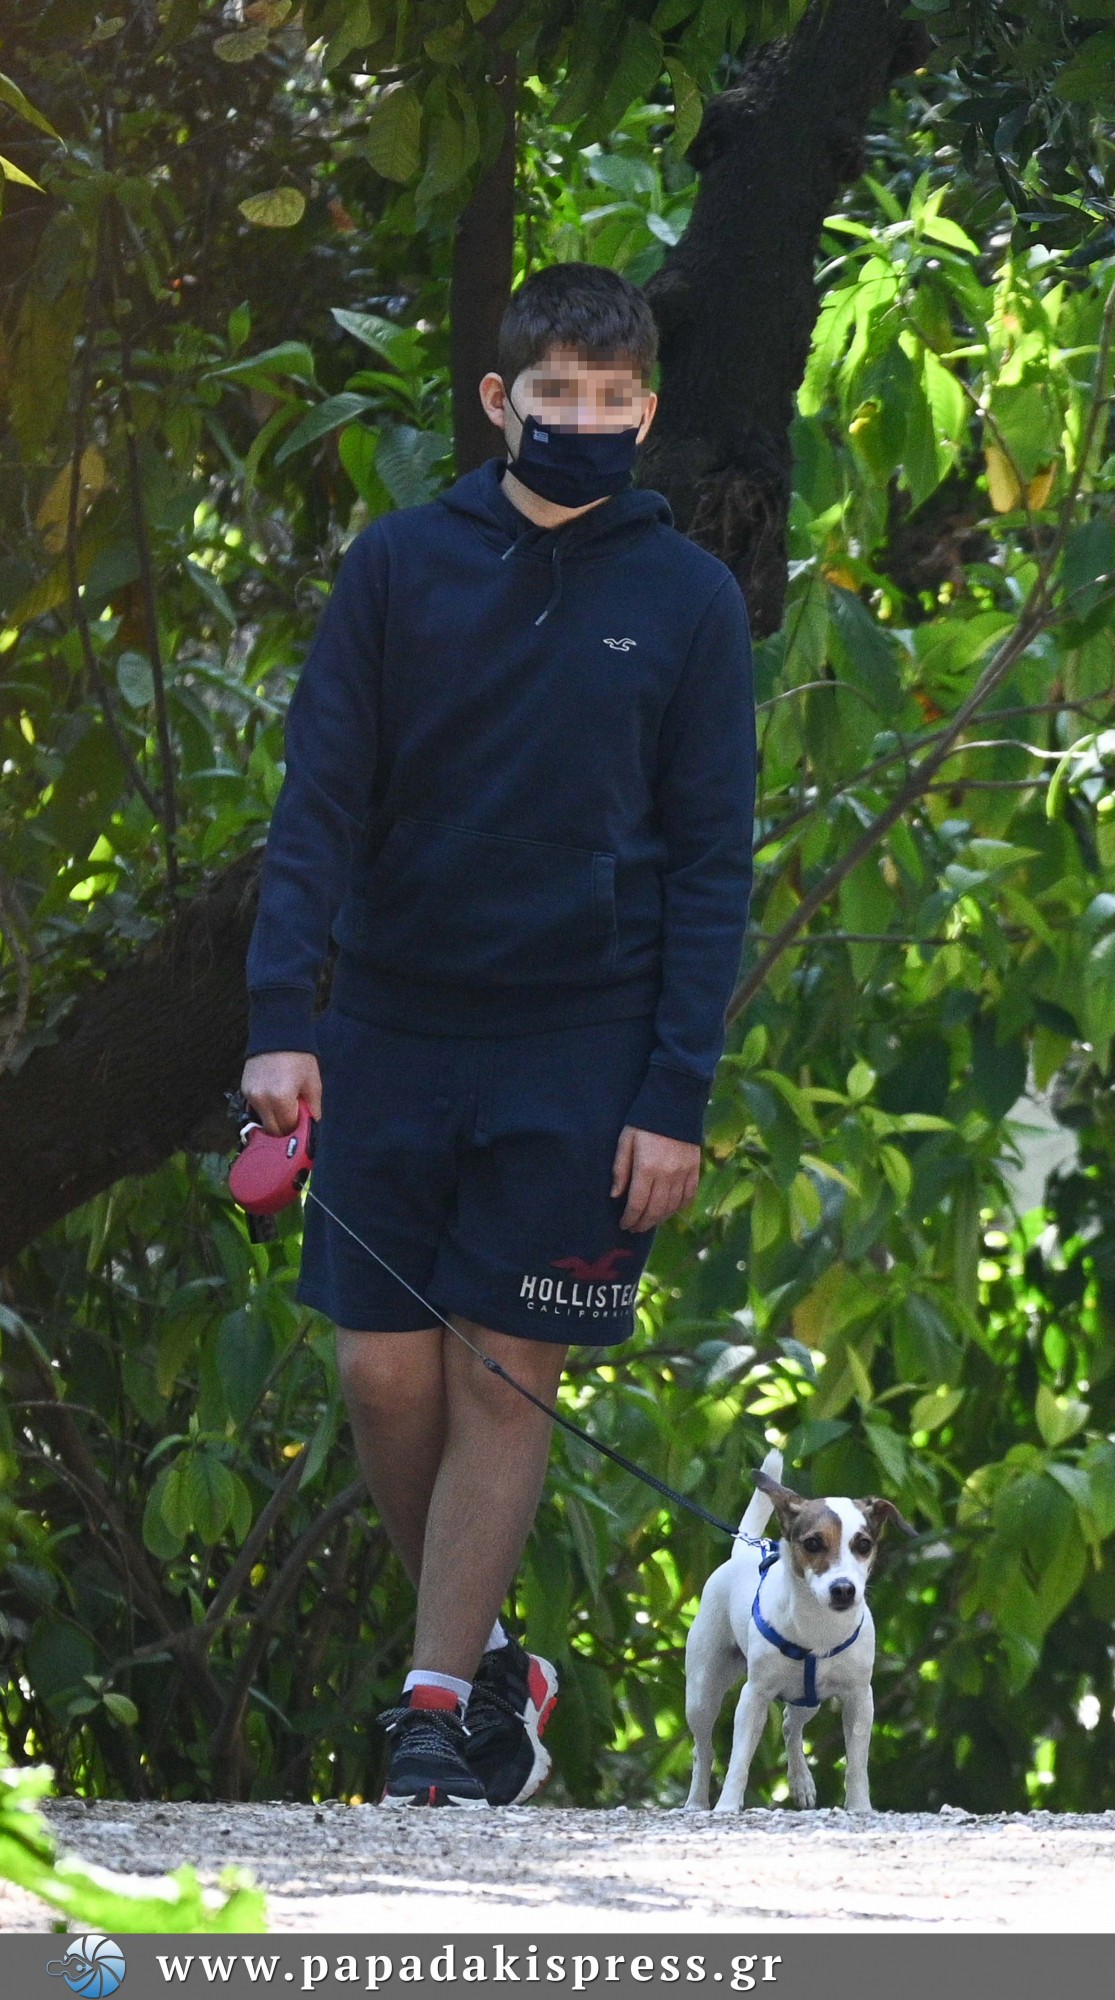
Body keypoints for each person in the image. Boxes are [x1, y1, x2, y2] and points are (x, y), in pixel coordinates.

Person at [238, 264, 756, 1808]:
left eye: (614, 402)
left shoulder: (691, 601)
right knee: (383, 1376)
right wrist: (280, 1020)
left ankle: (432, 1712)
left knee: (502, 1372)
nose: (586, 425)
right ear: (498, 403)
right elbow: (317, 800)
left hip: (584, 1050)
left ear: (648, 409)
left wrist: (674, 1095)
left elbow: (714, 859)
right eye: (556, 400)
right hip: (389, 1026)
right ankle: (491, 1665)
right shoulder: (400, 568)